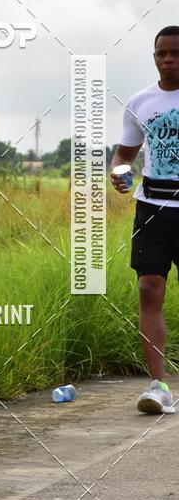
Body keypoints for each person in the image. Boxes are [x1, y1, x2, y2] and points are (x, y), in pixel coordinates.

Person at [111, 25, 179, 416]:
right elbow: (124, 154)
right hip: (153, 207)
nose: (168, 60)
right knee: (149, 291)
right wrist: (119, 172)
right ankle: (160, 386)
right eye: (161, 53)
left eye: (176, 53)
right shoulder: (140, 102)